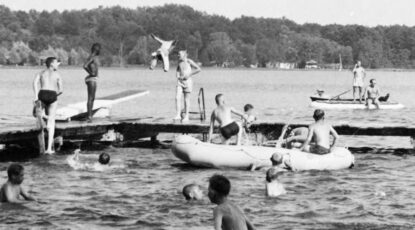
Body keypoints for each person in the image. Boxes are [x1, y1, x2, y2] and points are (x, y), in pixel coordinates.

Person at [33, 57, 63, 154]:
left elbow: (34, 82)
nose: (58, 64)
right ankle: (49, 149)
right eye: (56, 63)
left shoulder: (41, 73)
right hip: (52, 95)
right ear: (51, 64)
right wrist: (54, 95)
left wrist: (36, 95)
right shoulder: (57, 74)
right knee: (52, 121)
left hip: (42, 93)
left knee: (37, 114)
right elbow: (61, 90)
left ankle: (43, 115)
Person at [174, 50, 201, 122]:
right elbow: (177, 70)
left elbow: (198, 69)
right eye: (178, 54)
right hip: (180, 82)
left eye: (179, 54)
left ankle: (186, 116)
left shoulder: (189, 61)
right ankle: (178, 115)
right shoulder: (179, 62)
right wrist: (177, 76)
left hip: (187, 82)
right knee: (177, 97)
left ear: (184, 55)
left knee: (186, 99)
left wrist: (189, 75)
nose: (178, 56)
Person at [83, 43, 101, 122]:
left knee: (92, 98)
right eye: (99, 49)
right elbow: (85, 66)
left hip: (93, 79)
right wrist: (91, 73)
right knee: (90, 98)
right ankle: (89, 116)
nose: (100, 50)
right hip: (91, 79)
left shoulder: (93, 57)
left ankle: (90, 115)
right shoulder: (92, 57)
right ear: (97, 49)